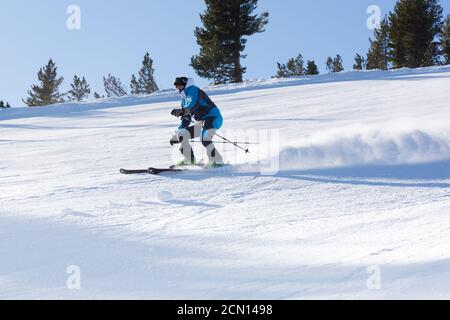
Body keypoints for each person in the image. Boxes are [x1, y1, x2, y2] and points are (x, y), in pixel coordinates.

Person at [170, 77, 224, 167]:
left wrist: (182, 111)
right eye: (176, 86)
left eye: (180, 85)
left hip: (213, 118)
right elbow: (186, 118)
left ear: (185, 85)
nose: (178, 88)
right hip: (201, 122)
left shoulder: (193, 90)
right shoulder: (184, 100)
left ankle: (217, 161)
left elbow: (194, 104)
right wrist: (179, 133)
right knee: (182, 135)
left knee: (205, 138)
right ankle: (189, 160)